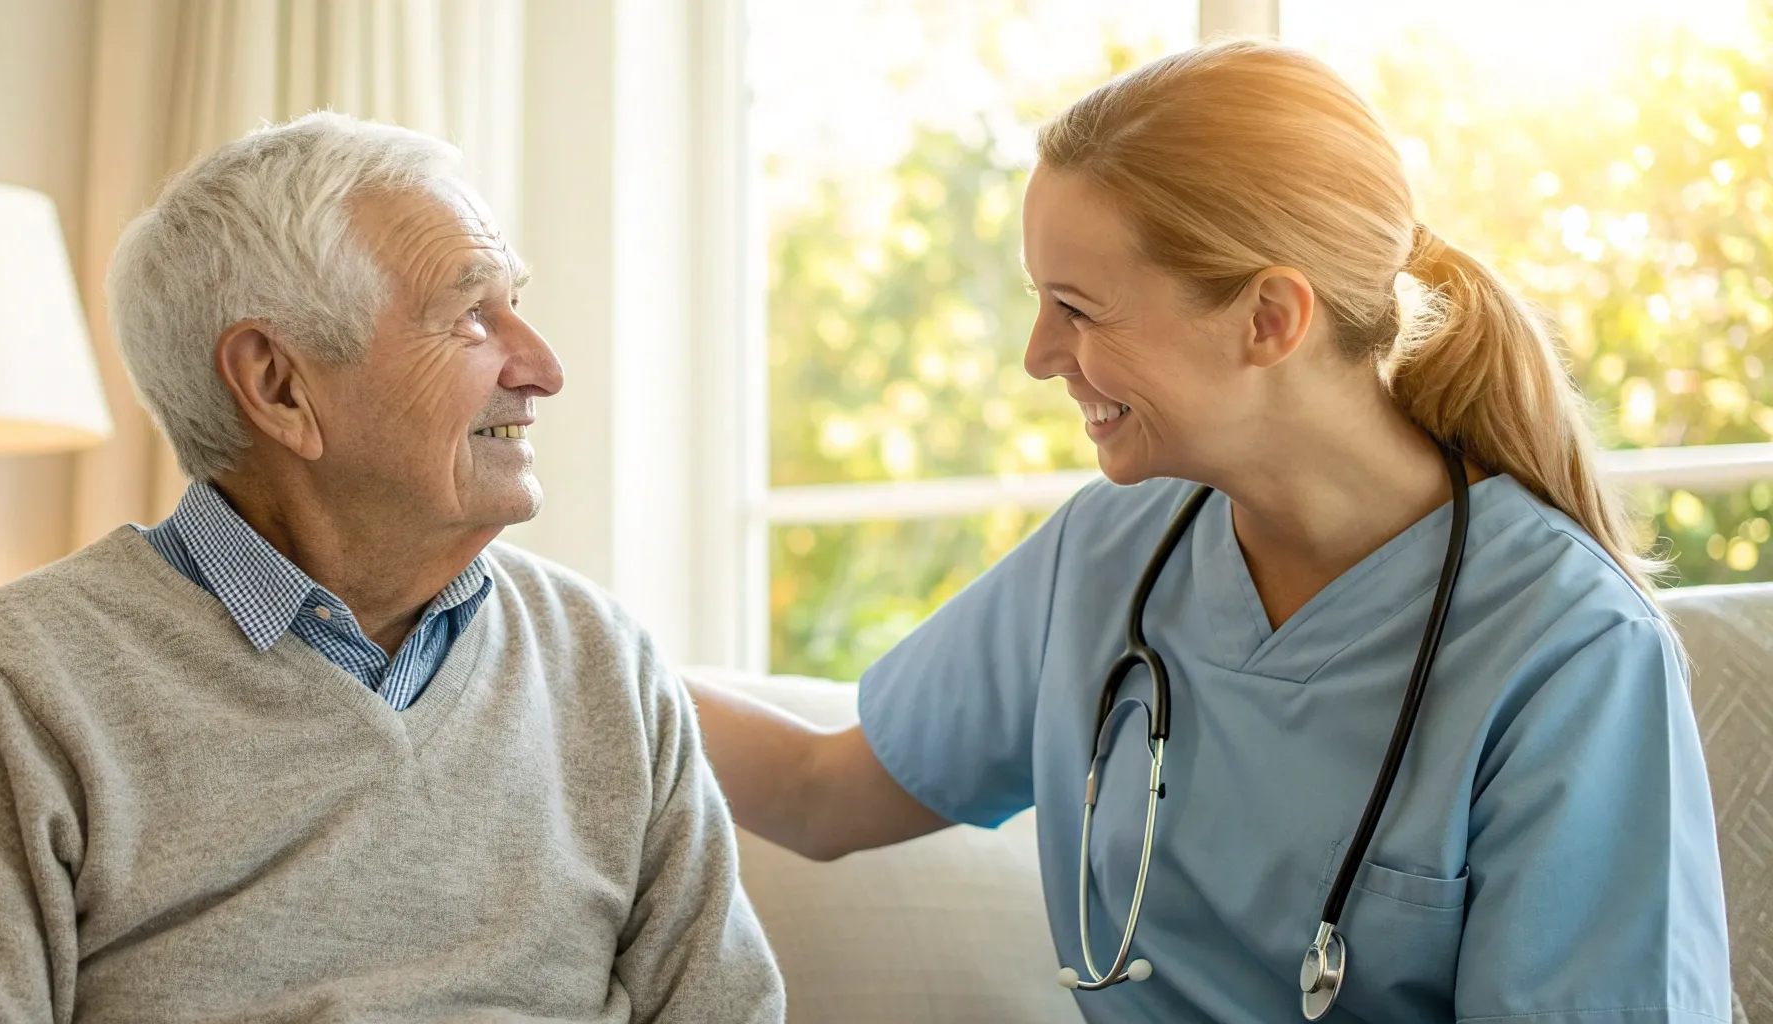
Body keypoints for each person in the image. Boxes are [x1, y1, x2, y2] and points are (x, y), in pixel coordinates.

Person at [691, 40, 1731, 1024]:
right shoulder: (1109, 553)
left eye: (1077, 307)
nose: (1038, 353)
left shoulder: (1567, 650)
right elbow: (816, 793)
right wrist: (545, 633)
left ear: (1269, 319)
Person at [0, 113, 784, 1024]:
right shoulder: (20, 681)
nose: (541, 367)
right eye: (468, 314)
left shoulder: (603, 661)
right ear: (279, 386)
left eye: (517, 307)